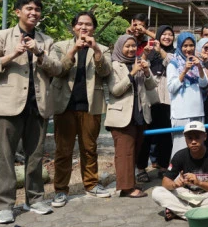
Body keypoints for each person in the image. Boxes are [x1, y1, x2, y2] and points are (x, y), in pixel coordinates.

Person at [0, 0, 61, 224]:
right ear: (17, 12)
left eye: (37, 10)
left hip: (38, 105)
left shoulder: (46, 41)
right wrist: (11, 55)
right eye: (28, 9)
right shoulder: (2, 37)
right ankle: (4, 205)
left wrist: (39, 53)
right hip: (8, 107)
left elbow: (58, 69)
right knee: (4, 158)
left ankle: (34, 199)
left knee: (35, 157)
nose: (33, 13)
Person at [47, 11, 112, 208]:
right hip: (65, 105)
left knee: (89, 148)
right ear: (74, 27)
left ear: (94, 28)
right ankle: (60, 190)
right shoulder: (60, 46)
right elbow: (58, 69)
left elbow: (106, 71)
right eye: (80, 24)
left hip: (91, 105)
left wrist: (97, 52)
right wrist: (74, 50)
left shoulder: (103, 48)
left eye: (89, 24)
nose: (84, 28)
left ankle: (91, 184)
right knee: (63, 150)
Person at [105, 35, 157, 198]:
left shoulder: (138, 62)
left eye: (134, 46)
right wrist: (132, 74)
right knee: (124, 152)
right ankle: (126, 188)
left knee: (133, 151)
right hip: (122, 115)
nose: (131, 49)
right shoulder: (114, 66)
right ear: (120, 47)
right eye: (127, 46)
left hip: (139, 113)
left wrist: (147, 72)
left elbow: (151, 86)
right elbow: (115, 90)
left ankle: (130, 182)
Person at [151, 121, 208, 221]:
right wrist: (175, 185)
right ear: (185, 139)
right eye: (189, 138)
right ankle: (203, 215)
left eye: (197, 137)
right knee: (157, 192)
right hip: (186, 194)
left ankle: (181, 212)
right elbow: (165, 182)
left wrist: (199, 183)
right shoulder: (180, 155)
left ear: (205, 137)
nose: (193, 141)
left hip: (207, 195)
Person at [136, 25, 175, 182]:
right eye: (164, 34)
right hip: (150, 95)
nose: (167, 37)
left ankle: (163, 166)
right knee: (146, 135)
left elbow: (171, 63)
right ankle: (141, 168)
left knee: (165, 135)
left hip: (167, 98)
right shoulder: (149, 51)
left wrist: (160, 50)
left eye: (170, 35)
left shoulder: (174, 53)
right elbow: (140, 65)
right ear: (158, 36)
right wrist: (146, 54)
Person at [167, 32, 208, 156]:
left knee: (197, 148)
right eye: (185, 46)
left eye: (191, 45)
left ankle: (195, 174)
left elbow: (204, 84)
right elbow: (172, 87)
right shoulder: (173, 64)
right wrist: (184, 70)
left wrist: (199, 68)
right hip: (181, 114)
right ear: (179, 46)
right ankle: (175, 174)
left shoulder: (197, 63)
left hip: (197, 112)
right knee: (180, 149)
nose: (188, 49)